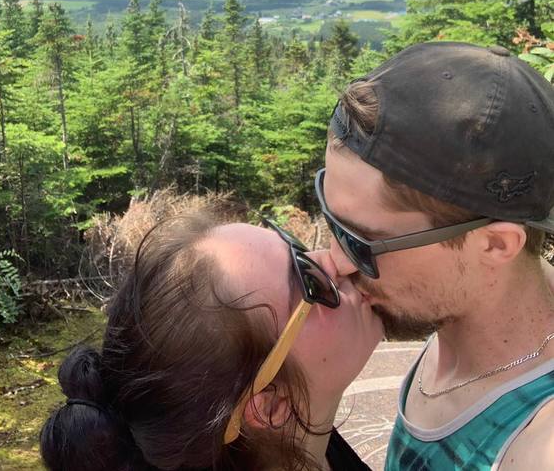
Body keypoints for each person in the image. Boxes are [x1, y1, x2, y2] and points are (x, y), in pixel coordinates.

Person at [314, 42, 554, 470]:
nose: (336, 261)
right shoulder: (452, 308)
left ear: (496, 245)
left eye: (363, 242)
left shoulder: (538, 445)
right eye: (333, 222)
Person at [40, 212, 384, 471]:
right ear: (271, 407)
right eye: (310, 283)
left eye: (297, 247)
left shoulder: (316, 446)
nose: (336, 259)